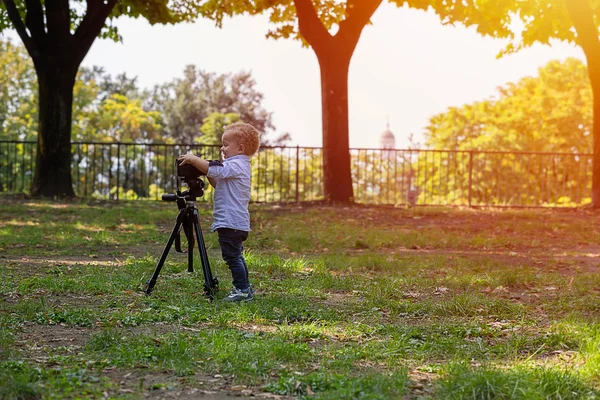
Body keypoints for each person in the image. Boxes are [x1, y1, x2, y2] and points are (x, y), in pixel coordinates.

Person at [177, 122, 260, 302]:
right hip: (234, 221)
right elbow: (217, 182)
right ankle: (245, 288)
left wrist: (193, 159)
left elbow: (215, 169)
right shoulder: (235, 166)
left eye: (225, 144)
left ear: (240, 148)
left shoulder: (237, 164)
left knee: (232, 256)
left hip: (231, 221)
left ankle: (242, 290)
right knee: (235, 255)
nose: (222, 148)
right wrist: (206, 172)